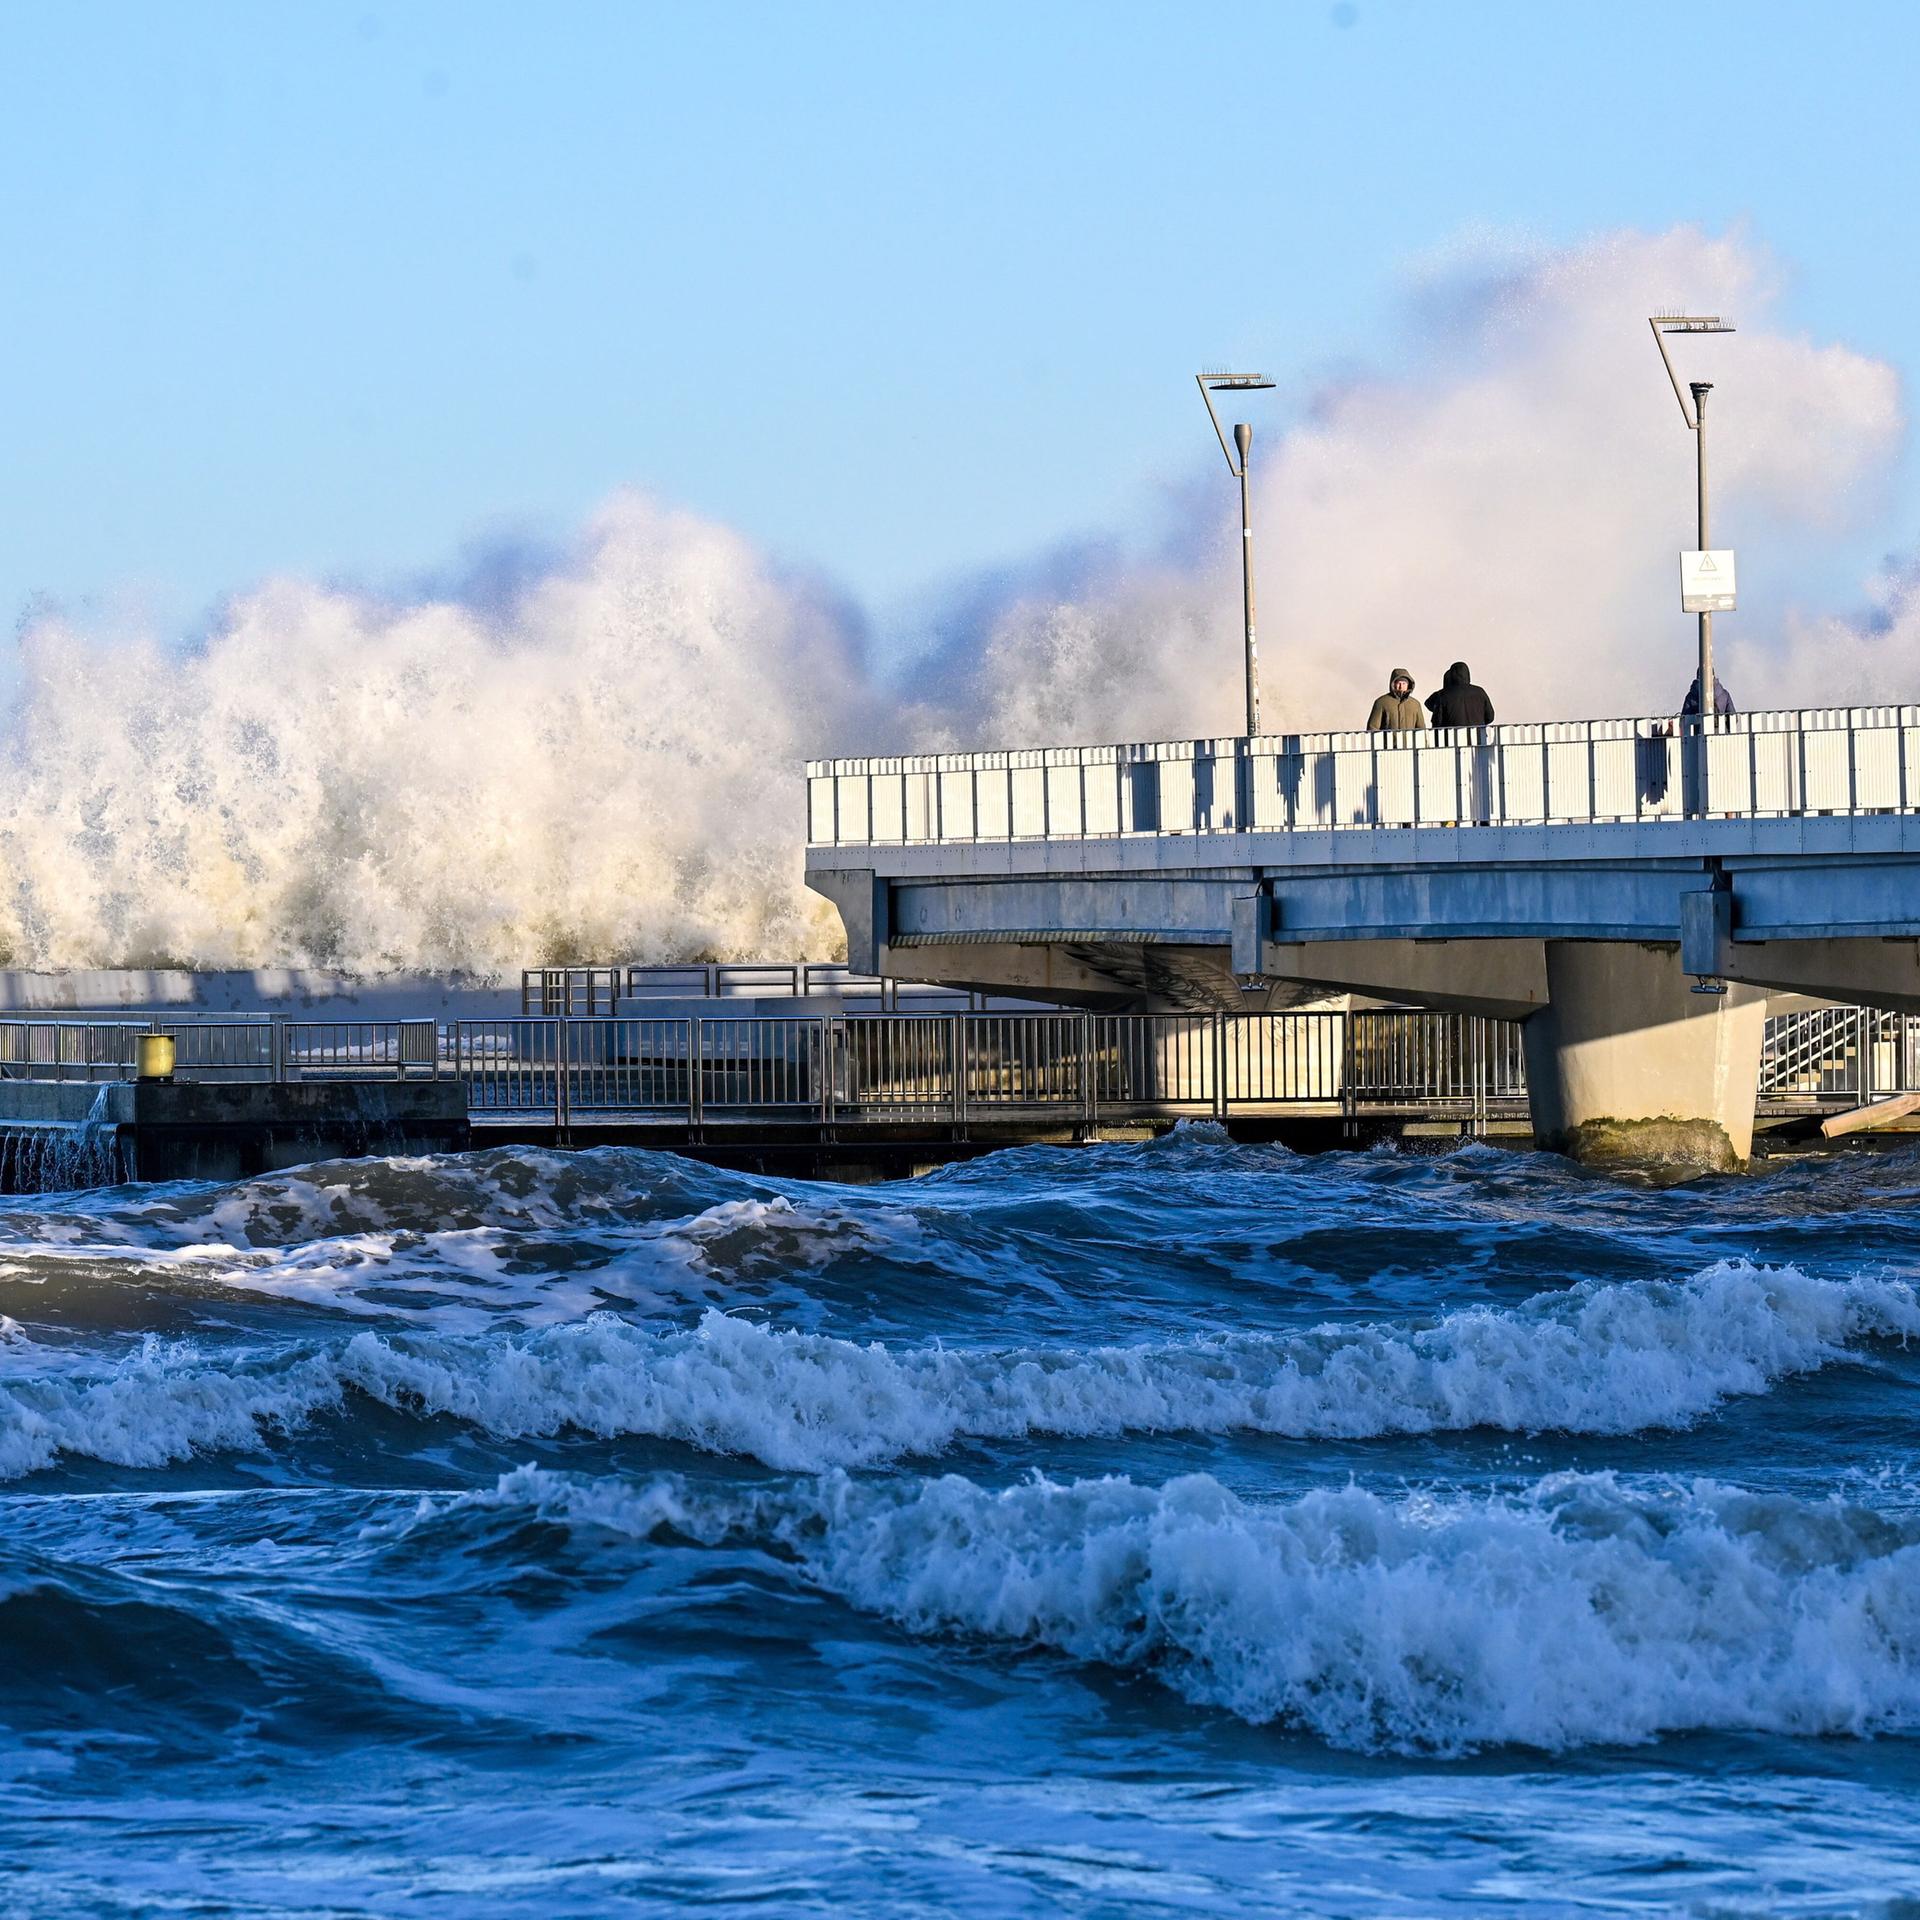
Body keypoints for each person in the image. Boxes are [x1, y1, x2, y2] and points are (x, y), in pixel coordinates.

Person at [1425, 661, 1494, 728]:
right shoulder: (1480, 692)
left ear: (1452, 675)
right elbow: (1490, 717)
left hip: (1452, 735)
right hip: (1478, 734)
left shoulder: (1443, 695)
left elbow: (1437, 722)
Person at [1366, 667, 1426, 733]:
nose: (1401, 686)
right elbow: (1372, 728)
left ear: (1408, 685)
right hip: (1388, 740)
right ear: (1393, 683)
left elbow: (1421, 730)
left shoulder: (1415, 704)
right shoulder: (1381, 702)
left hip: (1409, 740)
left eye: (1404, 683)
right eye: (1399, 683)